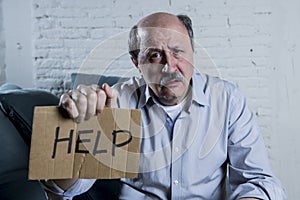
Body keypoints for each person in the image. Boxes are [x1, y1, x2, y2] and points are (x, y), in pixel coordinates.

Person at [42, 12, 286, 199]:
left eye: (178, 51)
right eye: (155, 55)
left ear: (193, 53)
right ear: (136, 62)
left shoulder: (227, 100)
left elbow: (259, 180)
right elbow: (64, 190)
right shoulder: (115, 102)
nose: (170, 66)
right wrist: (77, 127)